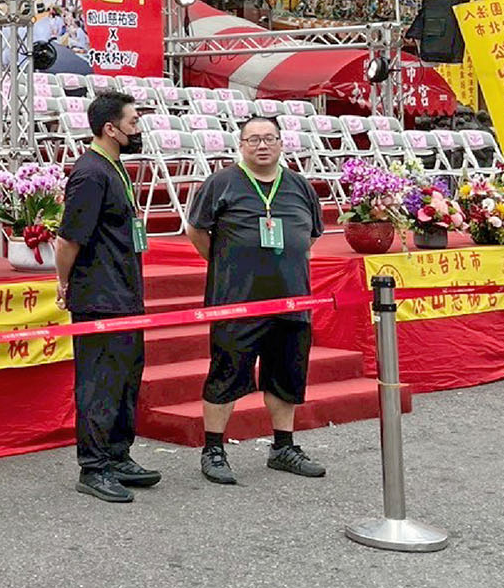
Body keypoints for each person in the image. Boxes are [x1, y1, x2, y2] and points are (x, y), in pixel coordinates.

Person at [185, 114, 326, 485]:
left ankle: (283, 447)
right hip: (237, 299)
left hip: (291, 300)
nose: (262, 145)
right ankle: (213, 449)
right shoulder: (221, 183)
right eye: (253, 140)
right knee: (226, 373)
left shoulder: (299, 185)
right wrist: (225, 262)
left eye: (269, 138)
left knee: (286, 376)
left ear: (281, 143)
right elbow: (197, 231)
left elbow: (310, 236)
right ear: (241, 145)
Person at [54, 91, 156, 503]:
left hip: (125, 290)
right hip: (99, 295)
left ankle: (118, 455)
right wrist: (65, 284)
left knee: (126, 378)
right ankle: (93, 467)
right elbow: (68, 240)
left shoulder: (115, 167)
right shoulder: (91, 173)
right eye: (133, 122)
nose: (138, 129)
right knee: (99, 382)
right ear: (110, 129)